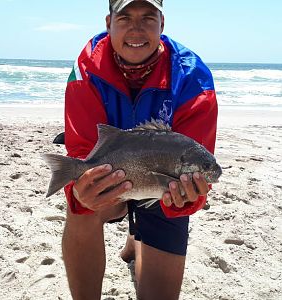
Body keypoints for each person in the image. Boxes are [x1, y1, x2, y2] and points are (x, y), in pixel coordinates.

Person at [62, 0, 218, 299]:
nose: (136, 28)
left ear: (162, 23)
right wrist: (82, 191)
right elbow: (82, 146)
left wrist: (185, 200)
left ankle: (136, 238)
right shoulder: (86, 67)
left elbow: (197, 158)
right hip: (113, 171)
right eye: (125, 18)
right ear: (109, 23)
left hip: (163, 187)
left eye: (148, 17)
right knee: (80, 205)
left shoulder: (193, 80)